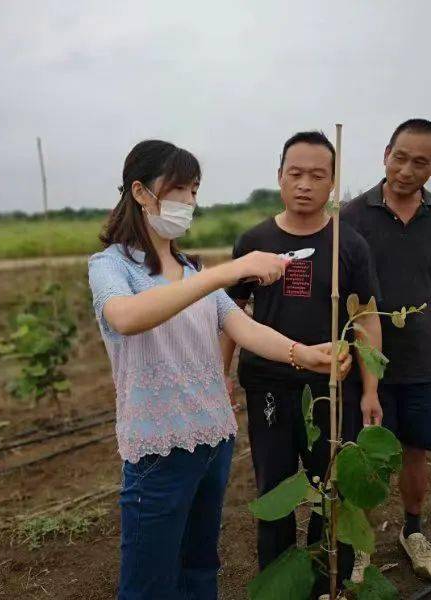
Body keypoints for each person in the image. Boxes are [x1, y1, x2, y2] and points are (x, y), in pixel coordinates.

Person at [88, 139, 352, 600]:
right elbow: (127, 318)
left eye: (194, 190)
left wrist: (304, 353)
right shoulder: (111, 267)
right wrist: (227, 272)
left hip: (213, 438)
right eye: (179, 190)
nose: (189, 201)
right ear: (140, 192)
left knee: (199, 566)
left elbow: (243, 328)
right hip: (159, 448)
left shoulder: (191, 269)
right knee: (148, 581)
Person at [221, 131, 382, 591]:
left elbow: (367, 318)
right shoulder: (254, 243)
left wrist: (370, 389)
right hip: (269, 385)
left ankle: (323, 582)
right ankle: (274, 583)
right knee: (273, 490)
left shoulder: (349, 245)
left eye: (317, 175)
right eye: (296, 173)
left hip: (334, 389)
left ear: (333, 182)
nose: (305, 184)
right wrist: (222, 376)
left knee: (331, 488)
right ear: (279, 177)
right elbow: (229, 316)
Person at [340, 119, 431, 580]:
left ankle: (412, 531)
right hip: (365, 363)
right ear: (385, 154)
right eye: (400, 157)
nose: (406, 170)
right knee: (365, 455)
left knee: (416, 453)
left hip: (424, 361)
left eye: (420, 162)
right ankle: (359, 546)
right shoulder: (351, 217)